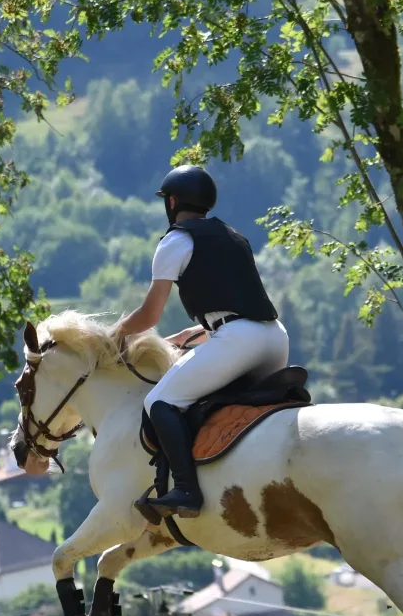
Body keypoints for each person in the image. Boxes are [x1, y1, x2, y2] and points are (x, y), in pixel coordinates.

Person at [114, 165, 289, 518]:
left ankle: (187, 491)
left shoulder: (176, 241)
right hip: (274, 339)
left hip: (240, 342)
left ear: (173, 202)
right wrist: (192, 335)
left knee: (159, 401)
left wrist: (114, 336)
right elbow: (237, 305)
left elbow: (148, 317)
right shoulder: (234, 236)